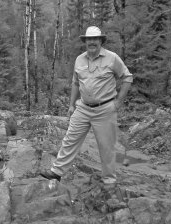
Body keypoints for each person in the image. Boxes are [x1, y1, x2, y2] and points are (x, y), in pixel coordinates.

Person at [40, 26, 133, 184]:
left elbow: (127, 78)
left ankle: (109, 180)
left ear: (100, 41)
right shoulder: (79, 59)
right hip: (82, 108)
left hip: (105, 109)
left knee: (106, 147)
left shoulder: (112, 58)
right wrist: (71, 105)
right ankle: (56, 172)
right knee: (70, 139)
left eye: (95, 39)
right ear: (85, 41)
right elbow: (75, 83)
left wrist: (118, 102)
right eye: (89, 39)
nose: (92, 42)